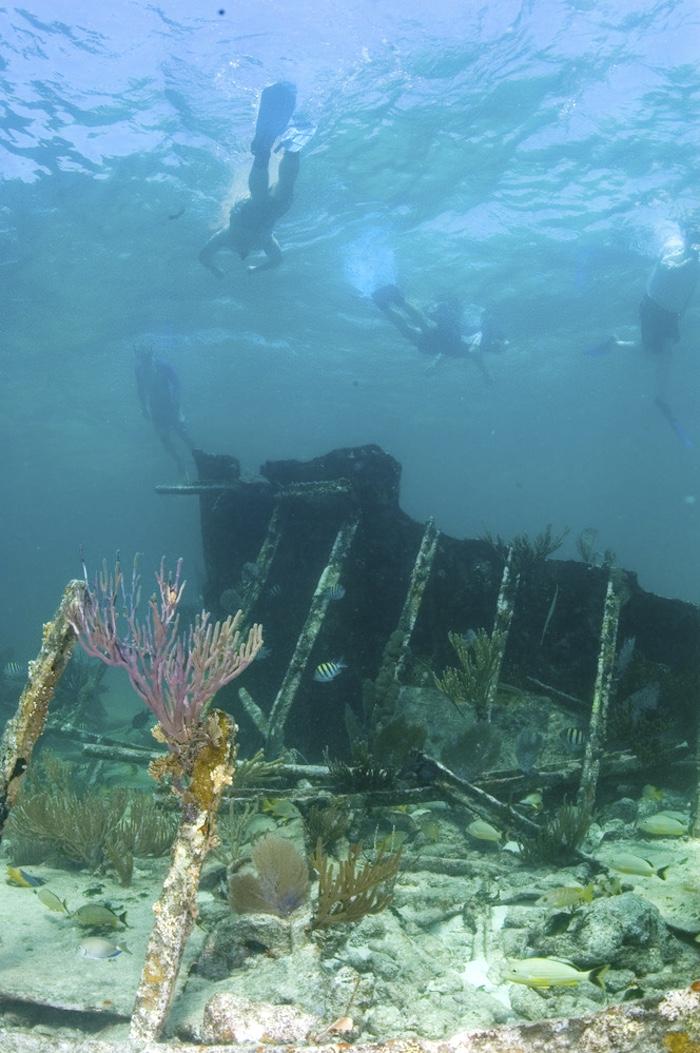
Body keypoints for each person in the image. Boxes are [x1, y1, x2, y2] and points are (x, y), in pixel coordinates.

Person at [199, 81, 313, 277]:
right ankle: (292, 149)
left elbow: (204, 256)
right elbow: (277, 261)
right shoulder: (266, 244)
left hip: (247, 216)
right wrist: (255, 269)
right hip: (264, 219)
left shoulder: (224, 238)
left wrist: (214, 268)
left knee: (264, 199)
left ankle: (264, 153)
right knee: (283, 195)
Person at [371, 284, 508, 380]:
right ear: (498, 340)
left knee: (409, 333)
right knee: (425, 325)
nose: (499, 351)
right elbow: (472, 350)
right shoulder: (483, 335)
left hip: (443, 346)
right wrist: (486, 373)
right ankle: (397, 298)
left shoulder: (483, 345)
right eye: (501, 347)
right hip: (450, 337)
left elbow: (452, 351)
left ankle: (383, 306)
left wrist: (435, 365)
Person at [135, 348, 193, 477]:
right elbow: (140, 389)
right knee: (164, 439)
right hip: (155, 408)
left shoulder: (164, 365)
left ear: (152, 356)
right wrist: (144, 407)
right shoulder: (139, 370)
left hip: (170, 405)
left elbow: (176, 383)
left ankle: (197, 455)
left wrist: (177, 402)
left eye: (148, 360)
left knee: (183, 434)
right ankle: (179, 461)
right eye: (143, 360)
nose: (146, 363)